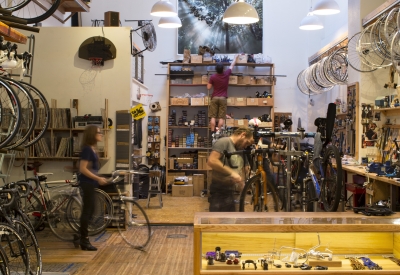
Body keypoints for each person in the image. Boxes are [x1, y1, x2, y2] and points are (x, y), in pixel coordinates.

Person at [207, 127, 254, 212]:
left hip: (231, 192)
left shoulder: (240, 150)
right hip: (219, 192)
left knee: (229, 222)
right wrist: (232, 172)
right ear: (243, 135)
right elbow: (212, 161)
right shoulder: (224, 142)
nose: (246, 146)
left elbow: (246, 168)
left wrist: (246, 181)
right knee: (217, 224)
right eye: (247, 142)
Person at [77, 124, 107, 251]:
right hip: (86, 183)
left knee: (92, 210)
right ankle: (84, 240)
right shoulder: (87, 150)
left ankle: (80, 235)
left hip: (91, 183)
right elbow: (82, 169)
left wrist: (99, 177)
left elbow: (91, 168)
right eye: (98, 132)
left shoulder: (92, 149)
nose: (101, 134)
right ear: (92, 135)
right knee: (87, 212)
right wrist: (98, 178)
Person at [207, 54, 238, 135]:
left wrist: (210, 81)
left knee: (213, 116)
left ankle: (212, 133)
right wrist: (235, 58)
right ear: (223, 69)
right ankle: (219, 132)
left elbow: (208, 87)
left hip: (214, 98)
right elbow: (232, 65)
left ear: (216, 69)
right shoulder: (226, 74)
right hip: (223, 98)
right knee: (221, 117)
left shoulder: (213, 77)